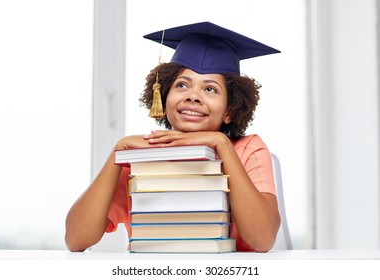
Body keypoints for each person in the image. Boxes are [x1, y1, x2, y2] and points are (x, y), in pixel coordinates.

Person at [65, 21, 281, 252]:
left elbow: (263, 239)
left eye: (210, 89)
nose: (193, 96)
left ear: (230, 109)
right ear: (163, 97)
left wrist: (222, 144)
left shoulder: (248, 150)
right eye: (182, 85)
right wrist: (118, 152)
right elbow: (76, 239)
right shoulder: (140, 159)